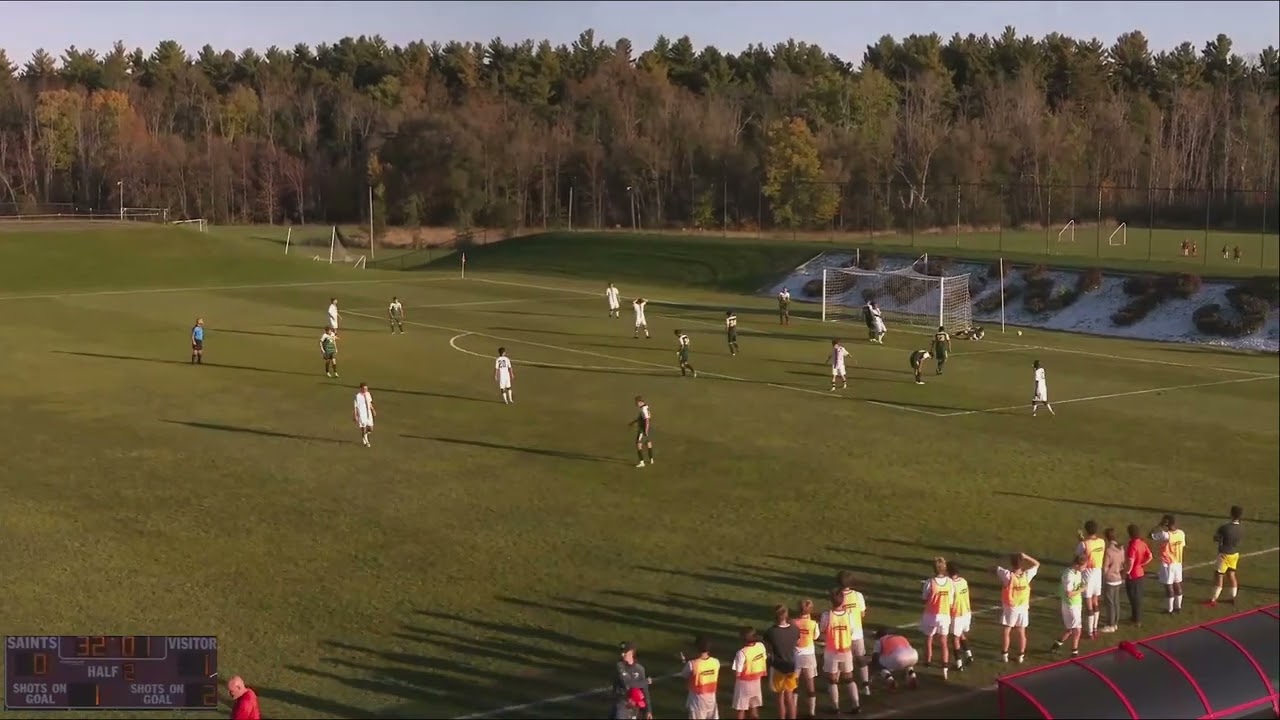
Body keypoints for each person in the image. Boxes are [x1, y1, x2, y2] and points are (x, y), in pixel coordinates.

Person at [819, 588, 862, 715]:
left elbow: (822, 629)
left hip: (832, 651)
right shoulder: (848, 615)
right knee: (849, 678)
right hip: (846, 650)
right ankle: (856, 704)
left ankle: (835, 707)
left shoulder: (827, 615)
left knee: (832, 680)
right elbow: (852, 631)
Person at [994, 552, 1040, 664]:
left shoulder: (1008, 575)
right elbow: (1037, 564)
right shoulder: (1026, 575)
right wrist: (1026, 556)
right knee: (1022, 632)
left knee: (1007, 630)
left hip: (1011, 607)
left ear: (1011, 564)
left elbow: (995, 568)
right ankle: (1021, 656)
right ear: (1022, 564)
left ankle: (1004, 655)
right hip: (1023, 607)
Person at [763, 604, 800, 720]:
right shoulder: (794, 629)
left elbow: (768, 648)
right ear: (786, 615)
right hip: (791, 666)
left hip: (778, 667)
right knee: (789, 696)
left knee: (780, 697)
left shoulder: (771, 632)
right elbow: (797, 643)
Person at [919, 556, 953, 678]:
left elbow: (924, 598)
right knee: (944, 642)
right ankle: (944, 667)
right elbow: (951, 600)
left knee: (929, 639)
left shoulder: (929, 582)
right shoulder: (950, 582)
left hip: (931, 615)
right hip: (944, 615)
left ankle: (927, 661)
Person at [1207, 505, 1244, 607]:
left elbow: (1216, 538)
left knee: (1219, 576)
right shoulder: (1241, 528)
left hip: (1224, 554)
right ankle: (1233, 598)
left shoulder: (1224, 528)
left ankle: (1214, 599)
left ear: (1231, 514)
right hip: (1235, 554)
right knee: (1231, 575)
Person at [1051, 554, 1086, 657]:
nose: (1085, 568)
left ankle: (1057, 644)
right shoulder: (1069, 575)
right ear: (1077, 565)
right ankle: (1074, 652)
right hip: (1071, 605)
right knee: (1078, 630)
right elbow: (1069, 593)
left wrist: (1082, 586)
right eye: (1083, 566)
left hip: (1076, 603)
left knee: (1070, 629)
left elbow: (1078, 585)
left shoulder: (1077, 572)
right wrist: (1082, 589)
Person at [1075, 520, 1105, 639]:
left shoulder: (1084, 544)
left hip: (1088, 573)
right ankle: (1095, 628)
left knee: (1089, 605)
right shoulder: (1102, 542)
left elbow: (1079, 556)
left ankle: (1090, 631)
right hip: (1098, 573)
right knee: (1095, 602)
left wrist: (1081, 541)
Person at [1151, 514, 1186, 614]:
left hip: (1168, 564)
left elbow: (1150, 535)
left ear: (1166, 523)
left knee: (1168, 586)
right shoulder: (1181, 533)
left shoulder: (1165, 535)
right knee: (1177, 584)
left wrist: (1159, 525)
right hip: (1178, 563)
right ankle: (1178, 607)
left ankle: (1169, 609)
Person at [680, 635, 720, 720]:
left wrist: (683, 661)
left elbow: (684, 675)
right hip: (711, 699)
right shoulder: (716, 662)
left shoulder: (692, 664)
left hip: (697, 701)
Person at [792, 599, 820, 718]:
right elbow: (815, 637)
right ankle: (811, 712)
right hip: (808, 655)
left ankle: (793, 710)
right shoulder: (813, 624)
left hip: (796, 655)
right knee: (810, 685)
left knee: (794, 685)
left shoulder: (792, 622)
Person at [732, 627, 767, 720]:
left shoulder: (741, 653)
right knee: (754, 706)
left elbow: (737, 673)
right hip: (756, 682)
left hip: (744, 684)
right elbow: (764, 658)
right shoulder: (761, 646)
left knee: (741, 709)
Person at [612, 642, 653, 720]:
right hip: (622, 704)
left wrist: (648, 710)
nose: (622, 655)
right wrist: (645, 682)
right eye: (621, 652)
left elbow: (645, 691)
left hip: (635, 706)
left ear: (631, 652)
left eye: (625, 652)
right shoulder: (620, 666)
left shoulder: (640, 669)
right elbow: (628, 683)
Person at [946, 560, 974, 670]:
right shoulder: (963, 581)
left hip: (956, 614)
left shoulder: (950, 585)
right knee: (961, 634)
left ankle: (959, 664)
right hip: (966, 612)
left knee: (955, 638)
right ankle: (969, 655)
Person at [1124, 524, 1153, 626]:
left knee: (1133, 598)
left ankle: (1137, 620)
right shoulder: (1142, 543)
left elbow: (1130, 562)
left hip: (1133, 575)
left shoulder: (1133, 546)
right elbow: (1150, 556)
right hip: (1140, 573)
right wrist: (1142, 564)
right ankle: (1135, 617)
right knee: (1137, 596)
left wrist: (1127, 572)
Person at [1101, 528, 1125, 633]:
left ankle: (1110, 625)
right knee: (1116, 602)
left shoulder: (1109, 551)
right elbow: (1122, 563)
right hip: (1118, 578)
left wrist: (1103, 577)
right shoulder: (1121, 548)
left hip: (1110, 579)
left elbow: (1106, 566)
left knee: (1110, 603)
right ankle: (1115, 624)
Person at [629, 395, 654, 468]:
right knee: (648, 442)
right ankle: (651, 459)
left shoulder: (643, 409)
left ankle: (642, 462)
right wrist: (633, 422)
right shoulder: (646, 406)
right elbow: (641, 417)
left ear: (640, 402)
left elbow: (646, 420)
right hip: (648, 427)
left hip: (643, 428)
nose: (635, 404)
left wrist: (645, 430)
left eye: (636, 402)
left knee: (638, 443)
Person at [353, 382, 376, 447]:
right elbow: (356, 407)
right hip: (362, 414)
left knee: (371, 429)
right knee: (363, 428)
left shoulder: (368, 394)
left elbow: (370, 403)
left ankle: (365, 435)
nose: (365, 390)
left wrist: (373, 410)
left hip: (368, 413)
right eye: (364, 389)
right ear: (361, 388)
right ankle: (366, 441)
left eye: (366, 389)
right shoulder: (357, 396)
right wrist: (356, 415)